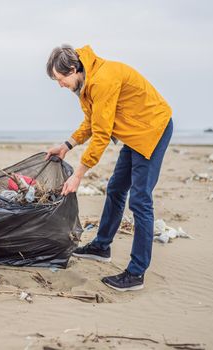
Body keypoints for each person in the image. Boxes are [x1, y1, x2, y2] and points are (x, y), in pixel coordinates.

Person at [45, 44, 173, 291]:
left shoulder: (102, 80)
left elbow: (102, 134)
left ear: (73, 69)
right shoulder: (87, 80)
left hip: (153, 129)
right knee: (115, 188)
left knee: (140, 200)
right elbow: (92, 122)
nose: (60, 85)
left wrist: (78, 175)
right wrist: (67, 145)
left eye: (60, 79)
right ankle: (101, 247)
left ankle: (136, 274)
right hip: (135, 132)